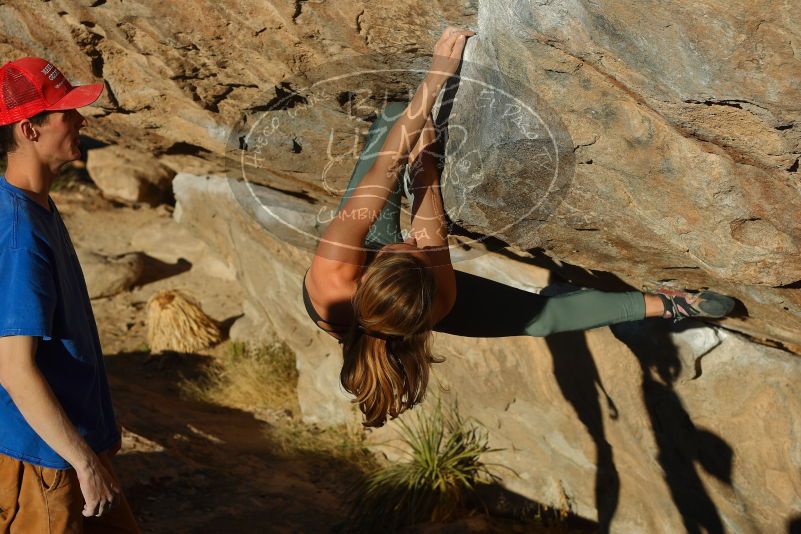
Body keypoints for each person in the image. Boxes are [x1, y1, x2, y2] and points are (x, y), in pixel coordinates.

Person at [303, 27, 735, 428]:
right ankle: (671, 304)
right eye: (421, 251)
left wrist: (435, 83)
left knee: (397, 119)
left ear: (378, 266)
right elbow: (428, 227)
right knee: (541, 319)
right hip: (405, 298)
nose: (412, 239)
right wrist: (425, 166)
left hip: (362, 283)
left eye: (409, 246)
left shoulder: (334, 273)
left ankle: (403, 136)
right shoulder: (437, 301)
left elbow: (388, 166)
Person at [0, 57, 139, 532]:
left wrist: (99, 429)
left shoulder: (38, 205)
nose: (81, 118)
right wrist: (83, 461)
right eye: (66, 111)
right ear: (28, 130)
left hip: (70, 447)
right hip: (45, 464)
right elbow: (14, 369)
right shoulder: (20, 233)